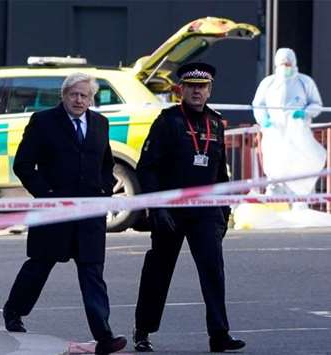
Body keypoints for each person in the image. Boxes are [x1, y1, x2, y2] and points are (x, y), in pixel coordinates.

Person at [2, 72, 126, 355]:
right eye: (74, 94)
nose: (79, 100)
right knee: (39, 265)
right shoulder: (43, 121)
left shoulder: (100, 123)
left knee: (93, 274)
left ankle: (104, 335)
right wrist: (46, 195)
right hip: (54, 211)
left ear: (91, 98)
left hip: (90, 216)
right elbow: (23, 165)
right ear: (64, 95)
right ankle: (14, 311)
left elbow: (106, 164)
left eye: (84, 95)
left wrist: (105, 190)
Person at [132, 62, 245, 352]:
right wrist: (156, 208)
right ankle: (143, 331)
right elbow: (147, 168)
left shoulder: (217, 123)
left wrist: (224, 212)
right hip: (170, 209)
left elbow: (220, 172)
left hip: (206, 211)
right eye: (191, 86)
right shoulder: (168, 121)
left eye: (202, 86)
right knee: (159, 270)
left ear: (209, 90)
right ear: (181, 89)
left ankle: (219, 335)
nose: (197, 91)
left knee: (213, 271)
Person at [252, 48, 325, 197]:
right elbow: (258, 105)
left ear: (294, 63)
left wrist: (304, 113)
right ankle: (275, 203)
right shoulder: (268, 83)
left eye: (288, 63)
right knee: (275, 166)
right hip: (274, 134)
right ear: (277, 65)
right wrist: (264, 120)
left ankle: (301, 201)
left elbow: (316, 104)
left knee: (302, 165)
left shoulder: (305, 82)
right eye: (282, 64)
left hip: (299, 135)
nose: (286, 67)